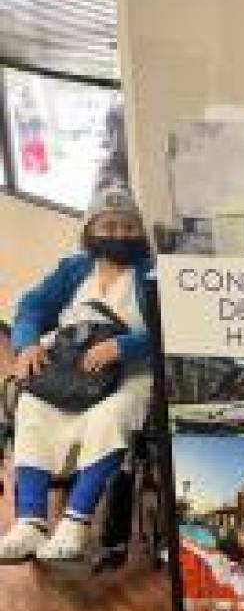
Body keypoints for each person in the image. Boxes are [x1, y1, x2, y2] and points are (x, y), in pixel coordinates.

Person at [0, 185, 154, 564]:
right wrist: (27, 344)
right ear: (91, 229)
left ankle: (75, 523)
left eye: (128, 227)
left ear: (140, 232)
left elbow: (173, 328)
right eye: (110, 225)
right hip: (71, 369)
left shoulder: (152, 274)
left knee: (110, 415)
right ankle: (31, 523)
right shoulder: (74, 268)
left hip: (129, 373)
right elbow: (32, 307)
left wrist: (123, 346)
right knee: (33, 405)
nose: (119, 234)